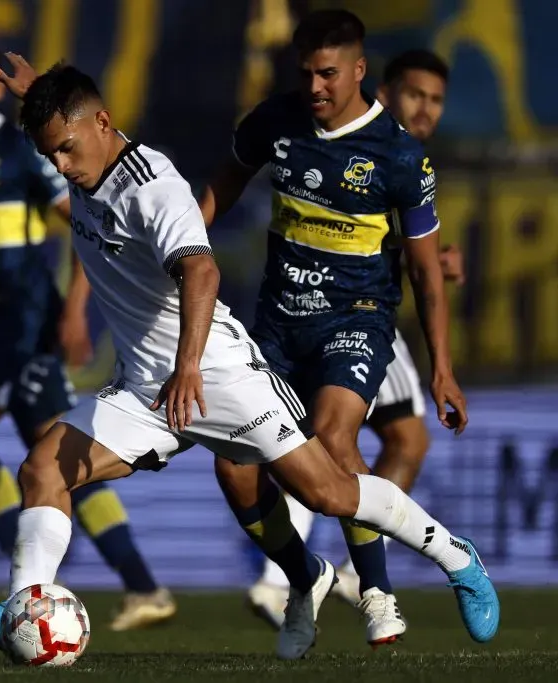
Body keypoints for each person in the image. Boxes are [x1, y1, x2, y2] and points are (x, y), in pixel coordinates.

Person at [0, 58, 498, 662]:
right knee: (43, 469)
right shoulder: (76, 146)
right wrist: (37, 96)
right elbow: (63, 117)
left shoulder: (154, 188)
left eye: (68, 151)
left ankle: (456, 556)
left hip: (218, 374)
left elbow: (202, 270)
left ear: (104, 123)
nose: (62, 167)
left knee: (328, 493)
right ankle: (24, 607)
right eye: (52, 156)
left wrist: (188, 366)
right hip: (144, 389)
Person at [198, 10, 480, 646]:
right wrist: (184, 243)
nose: (316, 87)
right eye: (307, 74)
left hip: (356, 320)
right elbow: (227, 179)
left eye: (329, 73)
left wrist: (442, 368)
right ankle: (304, 578)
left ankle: (378, 594)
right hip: (277, 320)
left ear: (358, 71)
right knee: (234, 470)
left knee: (334, 439)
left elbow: (428, 276)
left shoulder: (400, 156)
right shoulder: (277, 120)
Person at [0, 41, 175, 631]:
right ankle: (132, 584)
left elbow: (85, 225)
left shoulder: (24, 151)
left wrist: (74, 312)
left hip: (27, 323)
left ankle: (50, 576)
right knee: (44, 456)